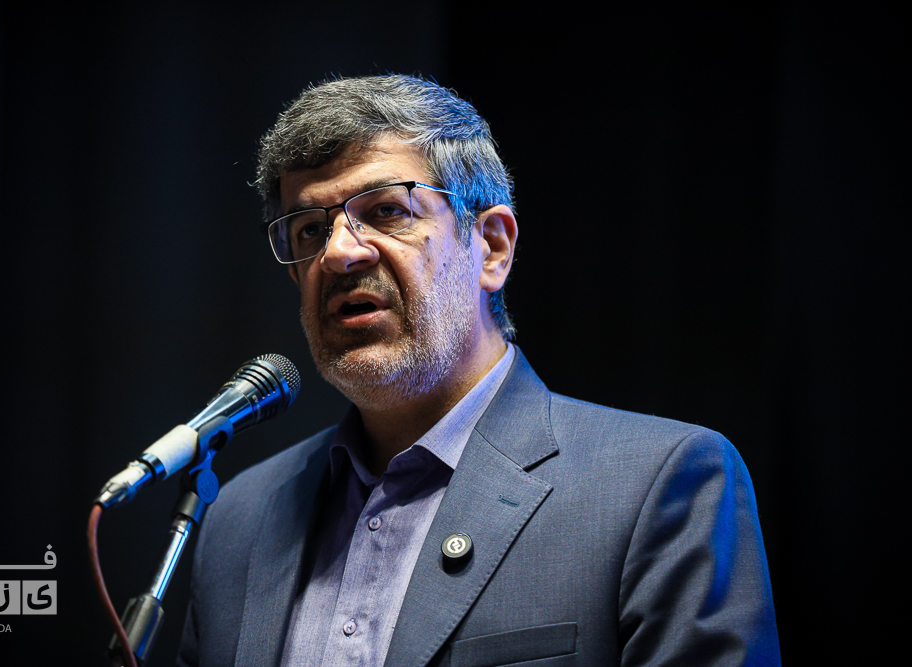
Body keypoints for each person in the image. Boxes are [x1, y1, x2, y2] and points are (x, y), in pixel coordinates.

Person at [176, 74, 780, 667]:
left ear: (491, 246)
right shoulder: (239, 518)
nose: (338, 252)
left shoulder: (658, 484)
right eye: (310, 228)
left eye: (386, 211)